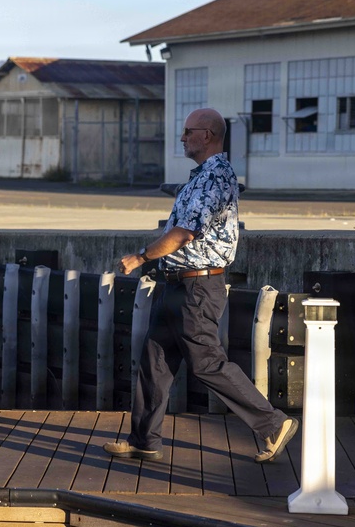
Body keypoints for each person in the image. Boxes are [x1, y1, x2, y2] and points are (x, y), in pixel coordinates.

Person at [104, 108, 298, 464]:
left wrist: (141, 257)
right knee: (155, 361)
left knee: (207, 362)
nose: (182, 138)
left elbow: (184, 233)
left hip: (198, 288)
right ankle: (144, 440)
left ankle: (273, 423)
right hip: (176, 285)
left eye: (188, 131)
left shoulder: (215, 177)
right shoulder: (202, 177)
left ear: (207, 135)